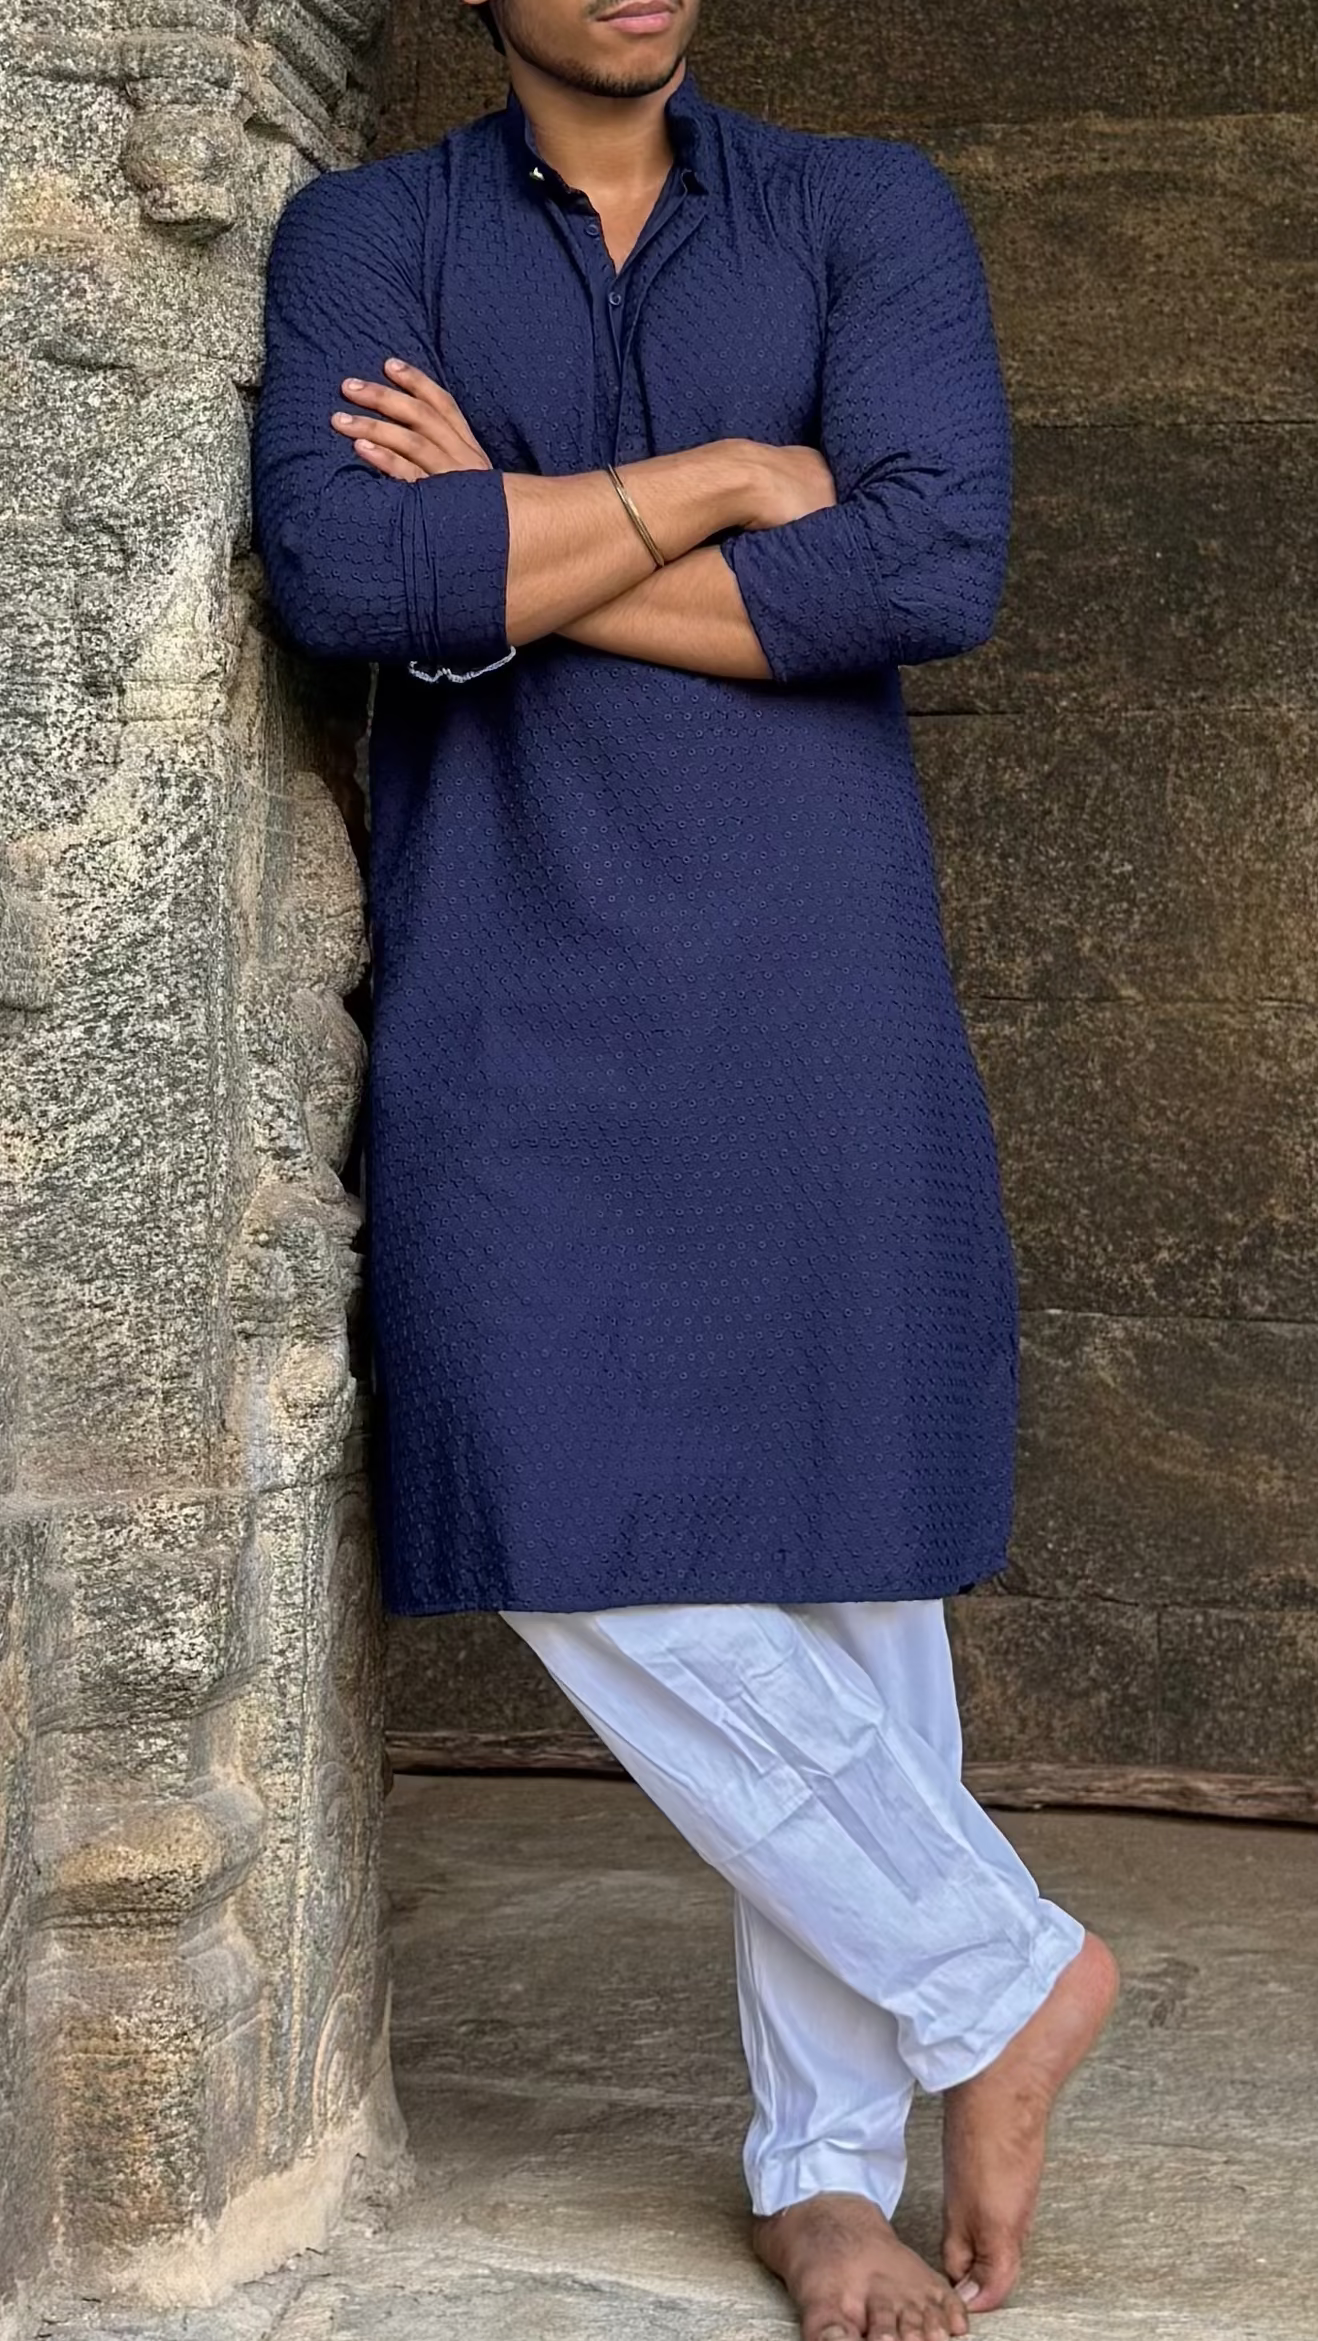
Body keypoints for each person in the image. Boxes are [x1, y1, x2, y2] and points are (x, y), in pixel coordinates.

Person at [250, 3, 1121, 2335]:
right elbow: (341, 576)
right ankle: (993, 1975)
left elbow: (925, 571)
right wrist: (741, 479)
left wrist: (513, 546)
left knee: (839, 1527)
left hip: (807, 961)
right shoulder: (371, 236)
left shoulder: (864, 211)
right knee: (533, 1471)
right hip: (511, 962)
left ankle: (825, 2174)